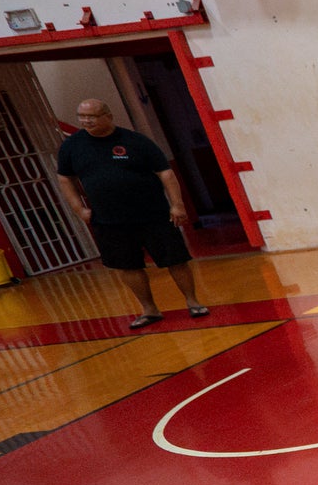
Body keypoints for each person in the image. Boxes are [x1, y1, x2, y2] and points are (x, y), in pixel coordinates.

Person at [53, 98, 209, 329]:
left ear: (108, 115)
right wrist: (79, 209)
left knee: (176, 260)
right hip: (108, 220)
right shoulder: (71, 146)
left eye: (92, 116)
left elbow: (165, 173)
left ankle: (193, 302)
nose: (86, 121)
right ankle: (149, 310)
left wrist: (177, 205)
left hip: (152, 214)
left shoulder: (136, 141)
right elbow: (65, 178)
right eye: (81, 116)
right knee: (127, 266)